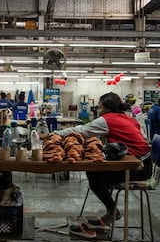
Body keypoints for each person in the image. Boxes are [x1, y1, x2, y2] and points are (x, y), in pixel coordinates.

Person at [53, 92, 151, 224]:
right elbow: (143, 140)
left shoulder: (107, 119)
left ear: (106, 108)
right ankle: (111, 210)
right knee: (94, 171)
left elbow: (82, 130)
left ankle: (112, 212)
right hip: (144, 163)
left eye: (99, 107)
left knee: (96, 178)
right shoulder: (128, 118)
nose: (98, 110)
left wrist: (54, 134)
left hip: (137, 167)